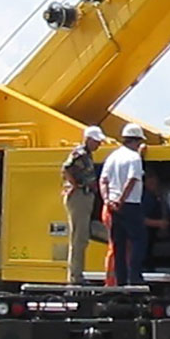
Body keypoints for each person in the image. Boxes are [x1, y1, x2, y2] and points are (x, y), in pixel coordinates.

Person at [99, 122, 149, 286]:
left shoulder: (112, 157)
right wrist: (121, 199)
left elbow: (103, 180)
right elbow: (132, 179)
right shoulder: (134, 157)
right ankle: (135, 276)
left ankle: (120, 279)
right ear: (136, 141)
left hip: (113, 207)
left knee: (119, 244)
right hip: (130, 204)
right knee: (139, 239)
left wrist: (107, 200)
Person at [61, 125, 105, 284]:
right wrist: (74, 185)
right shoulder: (80, 153)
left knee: (84, 234)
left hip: (86, 196)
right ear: (88, 139)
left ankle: (77, 275)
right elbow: (66, 168)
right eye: (97, 141)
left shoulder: (87, 155)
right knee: (79, 238)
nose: (99, 144)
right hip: (80, 196)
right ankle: (75, 277)